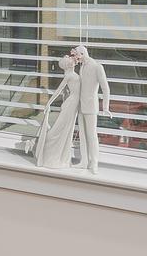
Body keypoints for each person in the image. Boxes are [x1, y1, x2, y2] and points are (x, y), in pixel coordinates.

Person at [39, 45, 110, 173]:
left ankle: (94, 163)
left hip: (91, 106)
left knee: (92, 135)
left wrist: (105, 107)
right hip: (79, 105)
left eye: (76, 55)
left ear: (82, 54)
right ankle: (84, 161)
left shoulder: (97, 67)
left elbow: (105, 88)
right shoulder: (81, 67)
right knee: (82, 134)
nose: (75, 58)